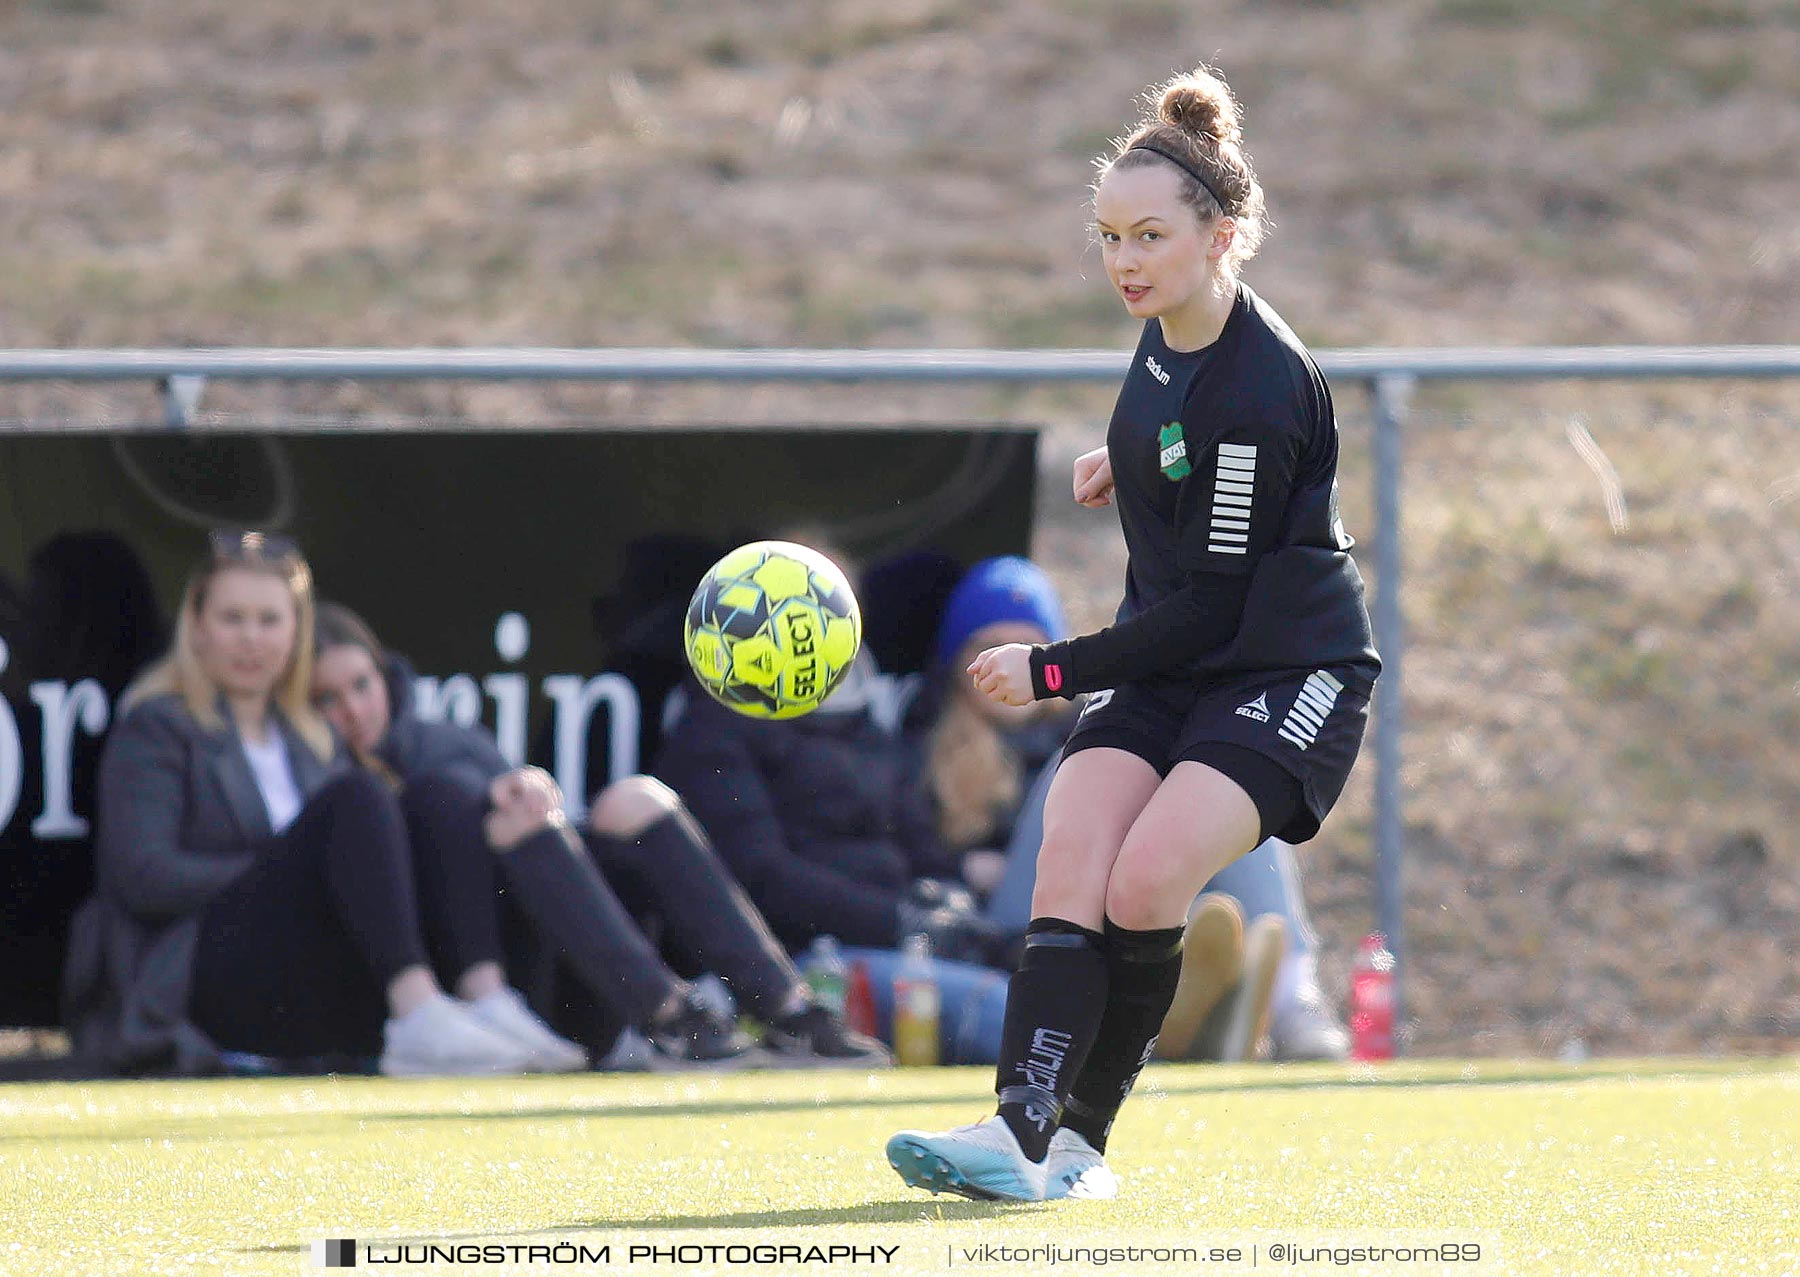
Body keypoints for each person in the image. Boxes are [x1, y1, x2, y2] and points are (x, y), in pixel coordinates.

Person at [886, 64, 1380, 1202]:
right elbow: (1188, 452)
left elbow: (1218, 597)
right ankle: (1018, 1130)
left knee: (1150, 875)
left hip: (1282, 667)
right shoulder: (1166, 330)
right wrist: (1146, 474)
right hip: (1177, 649)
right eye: (1109, 236)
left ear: (1225, 234)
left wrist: (1052, 667)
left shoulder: (1260, 384)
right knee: (1073, 848)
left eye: (1149, 236)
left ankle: (1077, 1142)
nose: (1124, 261)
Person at [310, 602, 889, 1069]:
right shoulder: (331, 789)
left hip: (566, 945)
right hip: (492, 993)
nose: (353, 711)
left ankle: (787, 1010)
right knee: (495, 814)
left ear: (384, 676)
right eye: (327, 700)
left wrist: (530, 786)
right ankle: (668, 1019)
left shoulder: (443, 737)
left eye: (362, 685)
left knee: (636, 799)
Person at [63, 531, 547, 1077]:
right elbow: (143, 876)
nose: (252, 639)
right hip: (204, 980)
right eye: (233, 618)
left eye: (270, 620)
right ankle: (417, 1013)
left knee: (437, 796)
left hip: (317, 975)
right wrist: (281, 869)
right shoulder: (158, 727)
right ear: (196, 628)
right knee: (356, 799)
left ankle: (487, 997)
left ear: (297, 633)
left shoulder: (311, 738)